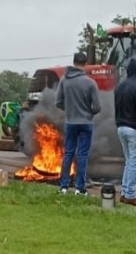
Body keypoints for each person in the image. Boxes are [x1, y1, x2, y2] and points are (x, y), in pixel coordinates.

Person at [56, 52, 101, 196]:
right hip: (86, 123)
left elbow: (58, 102)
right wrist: (88, 113)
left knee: (68, 153)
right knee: (82, 155)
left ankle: (63, 187)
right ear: (85, 64)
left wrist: (69, 110)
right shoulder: (90, 83)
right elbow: (97, 107)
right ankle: (79, 188)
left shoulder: (64, 80)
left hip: (70, 122)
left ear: (73, 62)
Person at [114, 57, 136, 206]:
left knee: (129, 162)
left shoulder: (119, 87)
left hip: (121, 127)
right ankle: (130, 194)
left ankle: (124, 192)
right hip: (134, 129)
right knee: (134, 163)